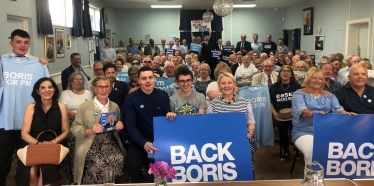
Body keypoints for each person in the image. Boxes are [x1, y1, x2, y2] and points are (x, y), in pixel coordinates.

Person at [0, 29, 49, 185]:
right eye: (18, 42)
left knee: (26, 162)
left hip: (29, 122)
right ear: (11, 43)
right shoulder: (2, 62)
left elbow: (46, 91)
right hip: (5, 121)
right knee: (2, 159)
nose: (22, 45)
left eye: (26, 42)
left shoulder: (38, 64)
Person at [291, 67, 355, 164]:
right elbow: (303, 111)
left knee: (347, 147)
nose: (318, 81)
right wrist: (315, 114)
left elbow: (338, 109)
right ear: (308, 79)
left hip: (327, 130)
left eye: (320, 79)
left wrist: (346, 114)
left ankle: (332, 175)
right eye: (314, 78)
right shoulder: (299, 94)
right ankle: (312, 176)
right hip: (304, 131)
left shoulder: (330, 95)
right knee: (312, 150)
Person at [71, 76, 126, 184]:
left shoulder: (114, 107)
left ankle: (110, 183)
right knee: (99, 162)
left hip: (110, 142)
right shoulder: (84, 107)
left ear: (110, 89)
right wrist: (90, 130)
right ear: (94, 88)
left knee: (118, 158)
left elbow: (115, 129)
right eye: (100, 87)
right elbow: (75, 128)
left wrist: (119, 126)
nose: (104, 90)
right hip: (89, 142)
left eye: (107, 87)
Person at [15, 77, 69, 186]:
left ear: (54, 90)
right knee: (31, 171)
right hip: (32, 144)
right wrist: (39, 144)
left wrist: (53, 142)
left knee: (46, 172)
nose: (47, 90)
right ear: (38, 91)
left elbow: (66, 131)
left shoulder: (61, 107)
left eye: (50, 87)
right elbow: (24, 134)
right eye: (43, 88)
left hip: (54, 145)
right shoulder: (31, 107)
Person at [124, 67, 171, 183]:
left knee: (163, 168)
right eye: (144, 78)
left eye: (150, 77)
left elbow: (167, 116)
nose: (148, 81)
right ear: (139, 81)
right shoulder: (130, 99)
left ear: (154, 78)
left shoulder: (163, 95)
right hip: (140, 140)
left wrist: (170, 115)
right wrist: (143, 143)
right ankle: (144, 183)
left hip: (160, 141)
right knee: (132, 167)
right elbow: (130, 126)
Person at [207, 72, 259, 169]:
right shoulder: (213, 104)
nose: (226, 86)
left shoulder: (245, 102)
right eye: (223, 83)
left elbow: (251, 122)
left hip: (241, 143)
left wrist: (251, 130)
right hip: (221, 145)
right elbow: (209, 126)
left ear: (234, 84)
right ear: (219, 85)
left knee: (243, 170)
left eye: (229, 83)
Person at [59, 72, 92, 163]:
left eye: (81, 79)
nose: (79, 81)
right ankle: (74, 162)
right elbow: (64, 110)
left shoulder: (88, 93)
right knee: (73, 138)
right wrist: (78, 115)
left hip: (86, 121)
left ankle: (86, 161)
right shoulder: (66, 93)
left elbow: (91, 109)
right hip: (70, 121)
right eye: (76, 79)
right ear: (71, 81)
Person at [269, 65, 301, 161]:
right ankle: (285, 149)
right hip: (279, 115)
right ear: (280, 73)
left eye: (288, 71)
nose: (285, 73)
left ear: (291, 74)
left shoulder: (296, 86)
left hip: (294, 114)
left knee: (296, 127)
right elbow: (270, 102)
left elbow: (301, 101)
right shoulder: (274, 87)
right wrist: (274, 113)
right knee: (282, 127)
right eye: (283, 71)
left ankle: (296, 148)